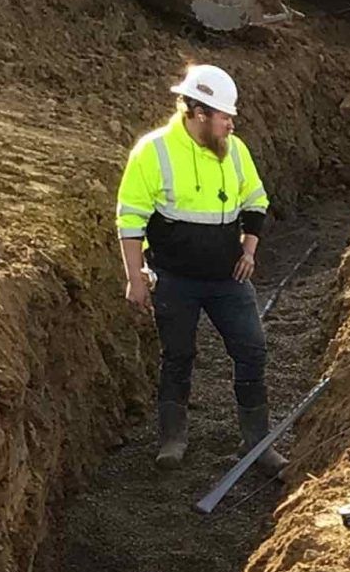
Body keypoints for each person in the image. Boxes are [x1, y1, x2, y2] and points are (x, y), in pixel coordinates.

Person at [115, 63, 281, 472]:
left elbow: (256, 203)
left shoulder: (235, 151)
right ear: (199, 112)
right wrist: (135, 277)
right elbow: (130, 220)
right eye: (224, 116)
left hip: (227, 277)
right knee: (178, 355)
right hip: (174, 279)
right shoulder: (153, 152)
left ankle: (257, 441)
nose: (231, 124)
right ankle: (172, 439)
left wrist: (248, 251)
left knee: (252, 348)